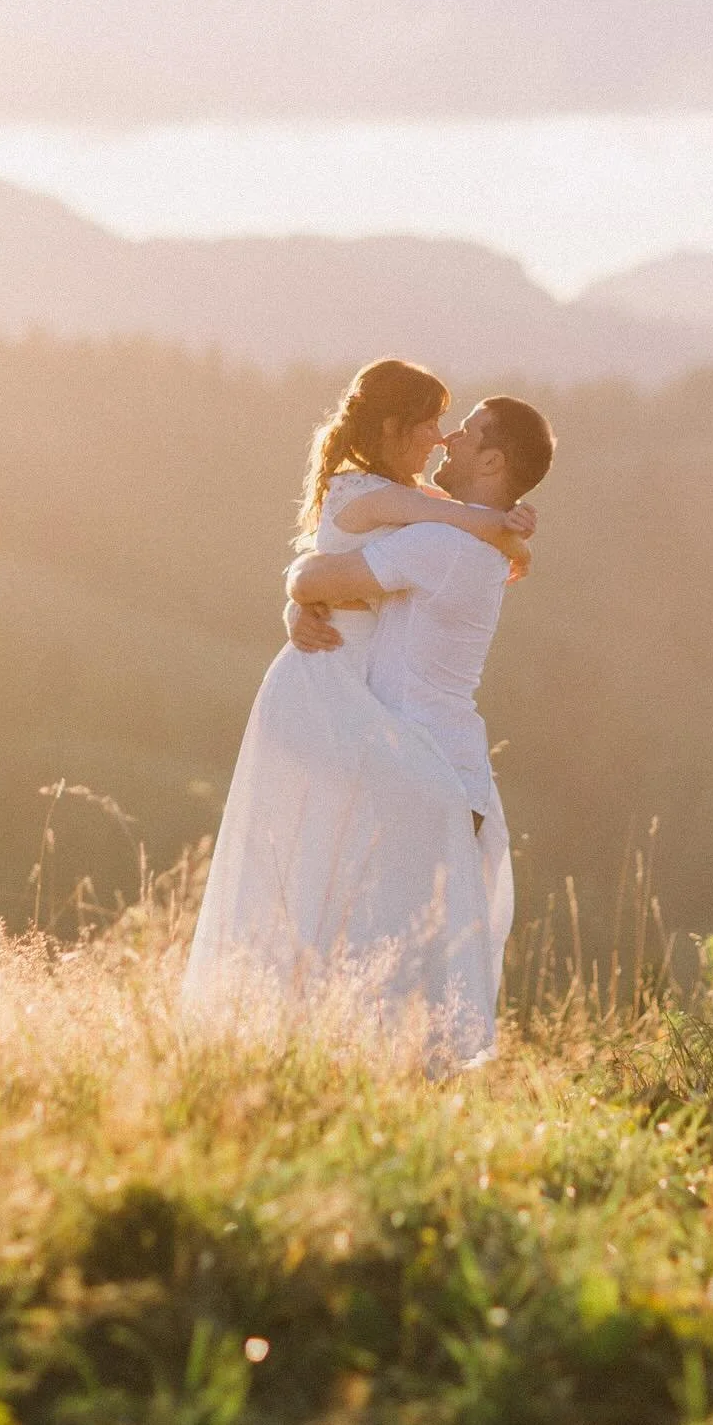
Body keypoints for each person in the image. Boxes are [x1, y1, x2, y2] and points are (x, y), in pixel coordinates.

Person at [180, 360, 538, 1063]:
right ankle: (294, 1039)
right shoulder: (397, 502)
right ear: (390, 427)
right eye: (433, 423)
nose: (442, 440)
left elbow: (334, 563)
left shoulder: (417, 511)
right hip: (329, 689)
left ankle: (340, 1043)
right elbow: (328, 565)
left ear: (492, 458)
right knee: (302, 869)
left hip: (361, 699)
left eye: (455, 427)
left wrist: (507, 530)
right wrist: (502, 525)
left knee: (330, 876)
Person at [284, 393, 556, 1060]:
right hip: (434, 773)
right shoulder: (465, 540)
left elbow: (317, 574)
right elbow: (347, 597)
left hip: (424, 775)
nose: (449, 439)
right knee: (402, 970)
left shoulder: (440, 543)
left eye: (468, 432)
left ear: (491, 458)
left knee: (390, 969)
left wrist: (298, 591)